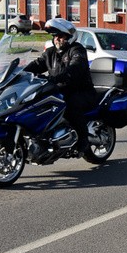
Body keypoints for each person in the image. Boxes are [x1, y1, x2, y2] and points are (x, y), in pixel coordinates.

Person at [24, 17, 97, 154]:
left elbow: (76, 66)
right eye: (55, 36)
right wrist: (21, 72)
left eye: (61, 36)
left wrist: (61, 76)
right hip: (58, 89)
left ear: (69, 37)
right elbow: (38, 64)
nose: (57, 39)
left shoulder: (77, 50)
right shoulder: (50, 52)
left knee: (70, 106)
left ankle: (83, 140)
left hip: (80, 91)